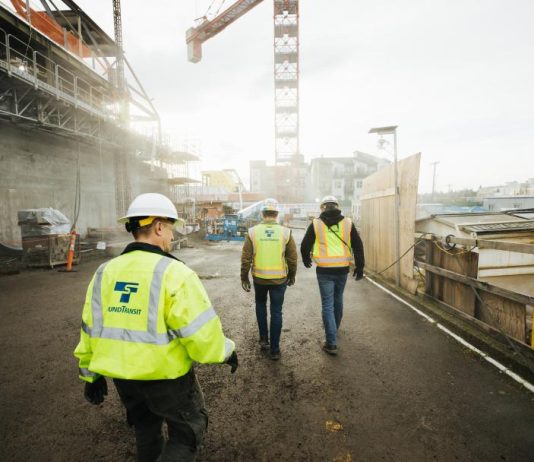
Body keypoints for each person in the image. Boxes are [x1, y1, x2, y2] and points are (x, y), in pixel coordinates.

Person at [74, 192, 238, 462]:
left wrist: (90, 374)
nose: (172, 237)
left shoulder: (105, 271)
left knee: (145, 428)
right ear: (159, 227)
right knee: (186, 433)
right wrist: (225, 351)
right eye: (171, 229)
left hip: (125, 379)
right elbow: (200, 334)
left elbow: (89, 327)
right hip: (167, 378)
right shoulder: (175, 272)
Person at [300, 195, 365, 355]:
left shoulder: (316, 223)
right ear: (337, 207)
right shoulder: (348, 223)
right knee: (338, 299)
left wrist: (306, 258)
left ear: (323, 207)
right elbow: (358, 245)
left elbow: (304, 245)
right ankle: (333, 328)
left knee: (327, 304)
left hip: (324, 270)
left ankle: (331, 342)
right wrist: (360, 266)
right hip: (342, 269)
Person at [240, 198, 297, 360]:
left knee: (260, 305)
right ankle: (275, 349)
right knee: (276, 311)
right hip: (279, 279)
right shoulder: (285, 232)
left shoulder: (253, 232)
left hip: (259, 279)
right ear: (276, 214)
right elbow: (292, 258)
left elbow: (246, 258)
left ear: (262, 214)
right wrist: (292, 275)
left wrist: (244, 277)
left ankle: (264, 339)